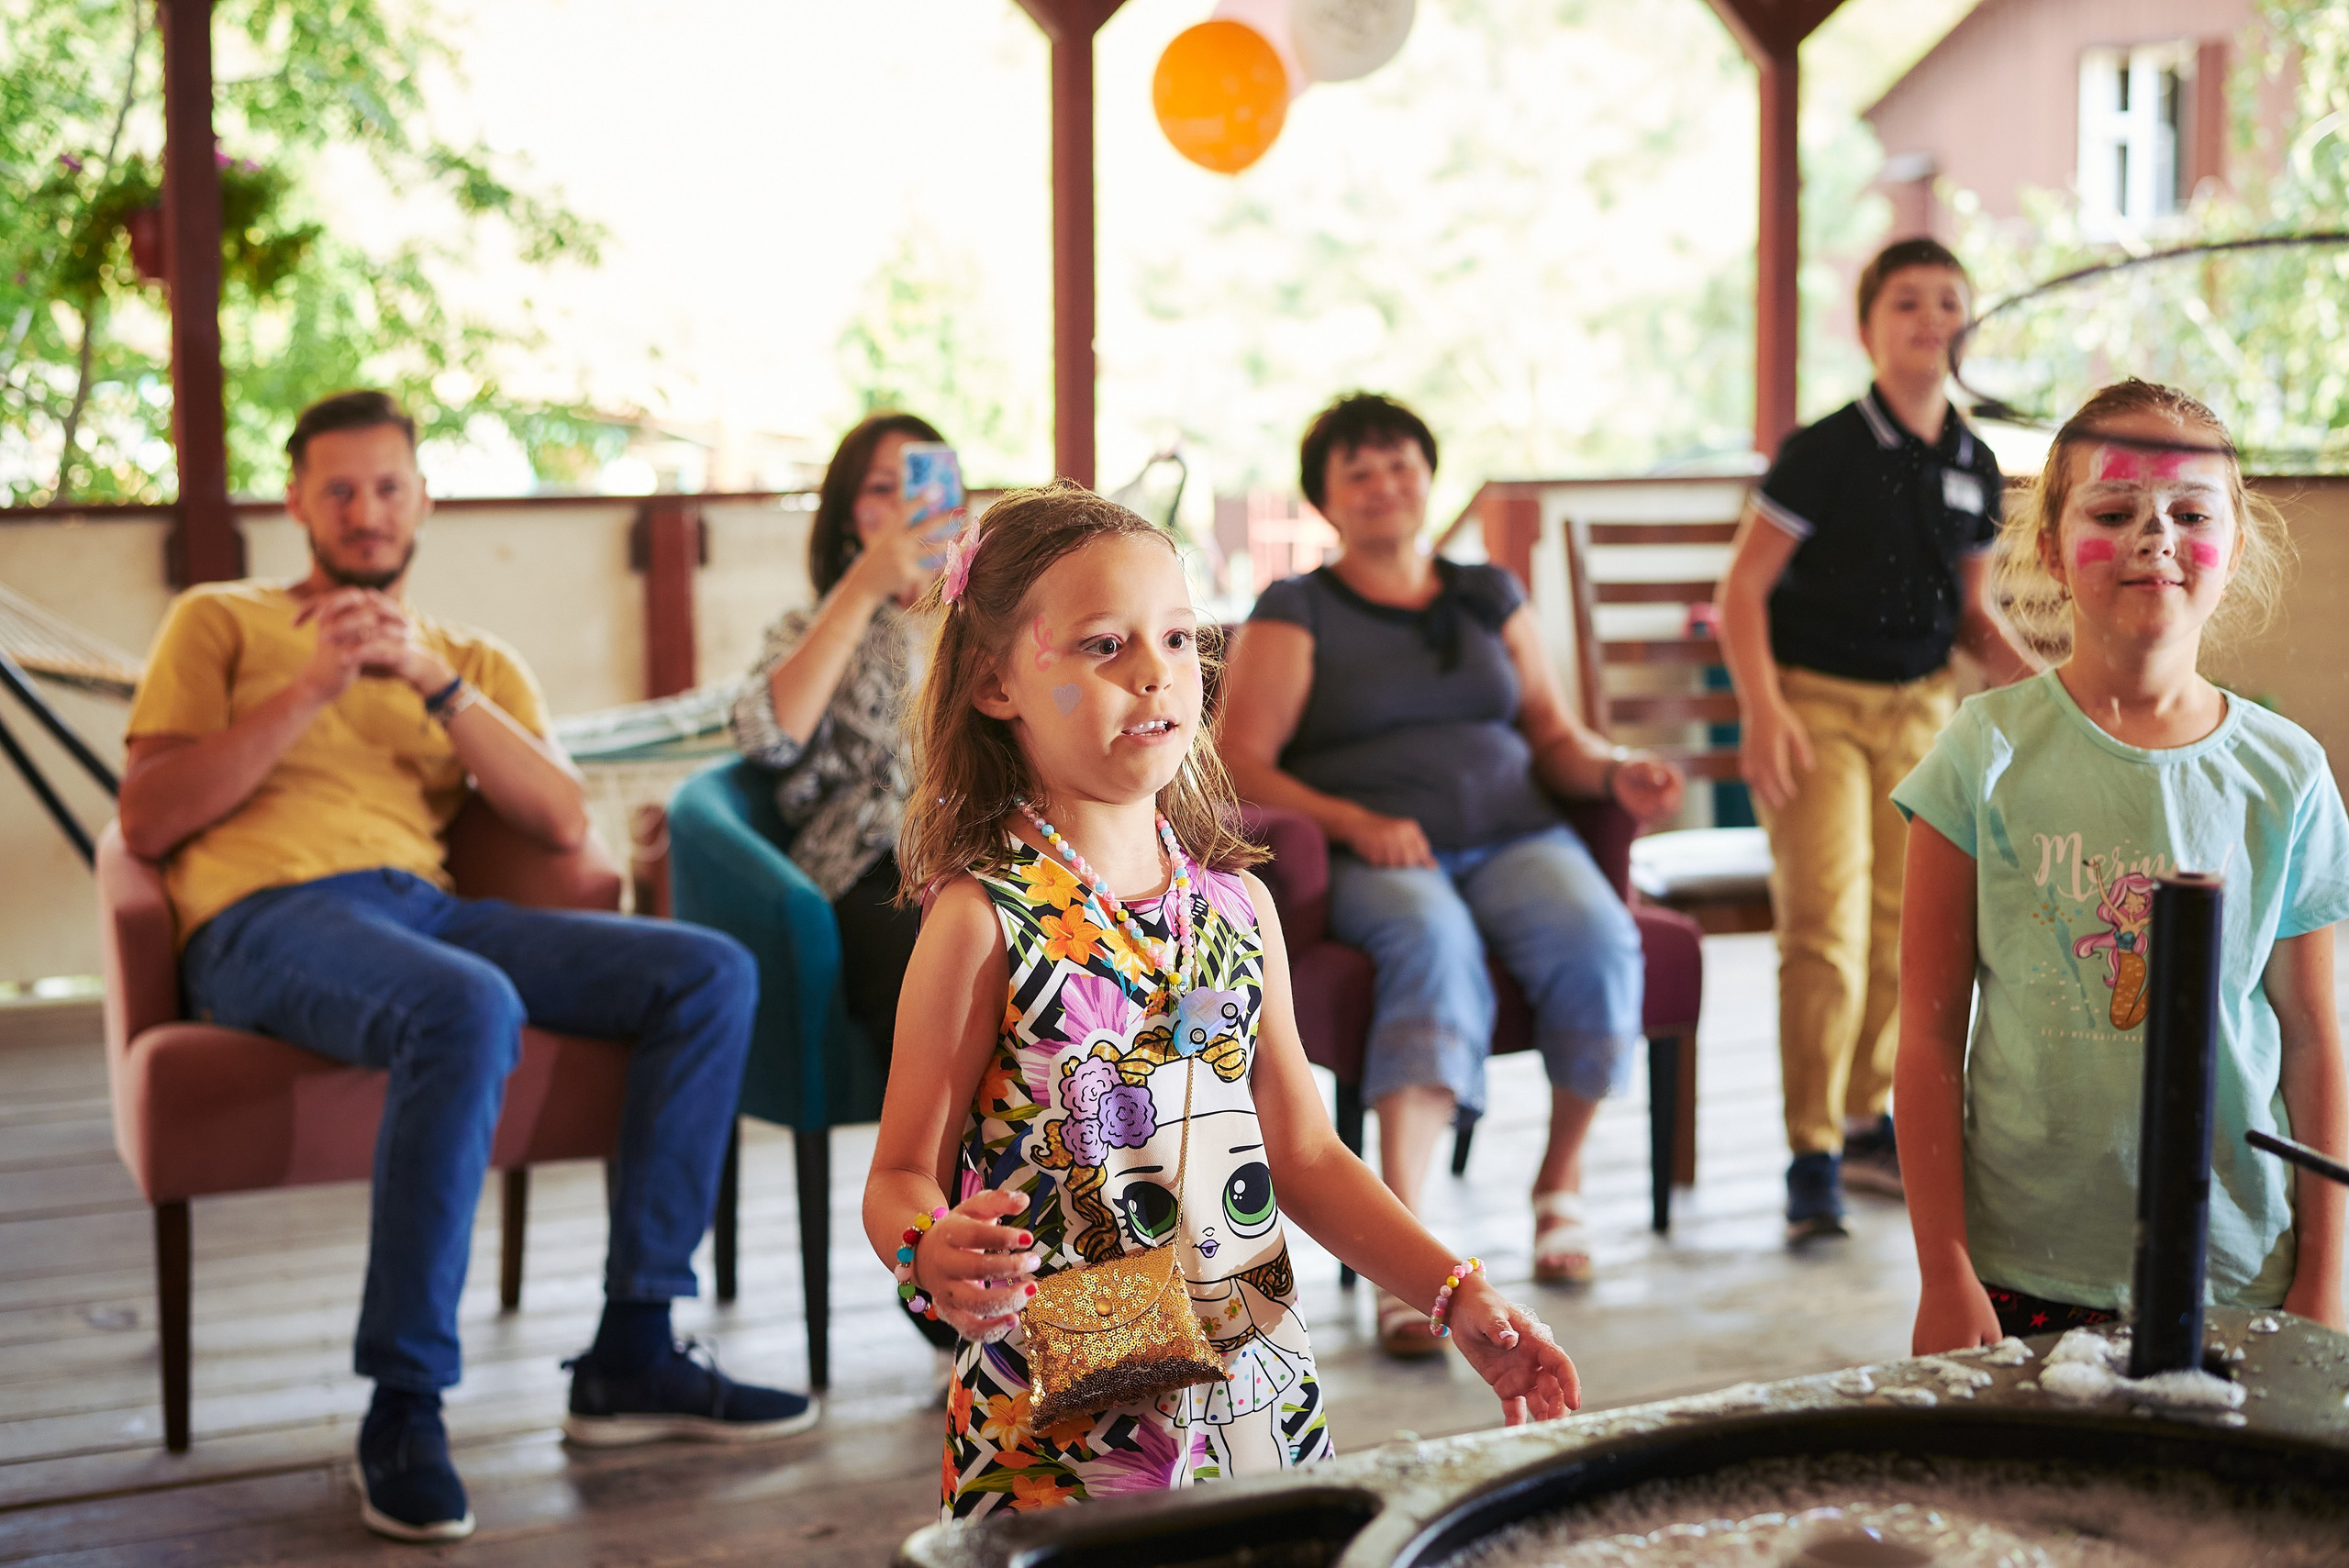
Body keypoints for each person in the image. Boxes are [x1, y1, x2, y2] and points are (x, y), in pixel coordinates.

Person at [118, 391, 812, 1545]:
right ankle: (404, 1402)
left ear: (422, 498)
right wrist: (313, 687)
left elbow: (551, 817)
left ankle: (635, 1345)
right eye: (337, 488)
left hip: (424, 909)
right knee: (468, 1003)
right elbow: (147, 817)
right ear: (295, 501)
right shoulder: (220, 618)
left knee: (708, 972)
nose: (365, 509)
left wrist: (434, 686)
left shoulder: (467, 659)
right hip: (257, 917)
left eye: (388, 485)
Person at [862, 484, 1580, 1521]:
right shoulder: (981, 920)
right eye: (1103, 645)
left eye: (1175, 636)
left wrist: (1455, 1292)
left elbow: (1307, 1154)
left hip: (1254, 1406)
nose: (1154, 669)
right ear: (993, 681)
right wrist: (928, 1246)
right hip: (1059, 1442)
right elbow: (896, 1174)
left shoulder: (1236, 908)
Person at [1219, 393, 1682, 1355]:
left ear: (1428, 477)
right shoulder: (1298, 607)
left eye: (1399, 464)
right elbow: (1244, 759)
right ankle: (1410, 1242)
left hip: (1516, 833)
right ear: (1326, 499)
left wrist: (1611, 770)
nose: (1384, 485)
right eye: (1359, 472)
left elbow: (1551, 734)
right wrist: (1356, 820)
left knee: (1599, 936)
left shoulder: (1489, 593)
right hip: (1379, 851)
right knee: (1430, 946)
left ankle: (1558, 1183)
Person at [1893, 380, 2348, 1351]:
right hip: (2021, 1269)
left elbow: (2312, 1037)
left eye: (2190, 512)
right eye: (2114, 511)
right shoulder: (1979, 756)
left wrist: (2324, 1276)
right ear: (2050, 547)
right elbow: (1928, 1032)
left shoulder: (2286, 775)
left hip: (2240, 1273)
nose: (2156, 538)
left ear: (2237, 544)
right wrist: (1944, 1267)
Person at [1715, 238, 2038, 1245]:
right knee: (1826, 930)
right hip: (1814, 709)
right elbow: (1740, 592)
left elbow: (1972, 617)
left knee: (1911, 930)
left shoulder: (1973, 463)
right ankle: (1809, 1148)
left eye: (1950, 300)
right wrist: (1762, 712)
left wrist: (2052, 694)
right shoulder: (1822, 448)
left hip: (1920, 714)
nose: (1930, 317)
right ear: (1867, 327)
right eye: (1906, 301)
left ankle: (1865, 1122)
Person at [731, 411, 961, 1070]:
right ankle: (924, 1171)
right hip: (867, 866)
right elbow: (766, 736)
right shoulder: (809, 625)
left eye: (921, 483)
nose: (904, 506)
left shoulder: (984, 621)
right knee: (928, 954)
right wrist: (864, 586)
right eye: (881, 488)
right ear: (846, 515)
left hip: (975, 851)